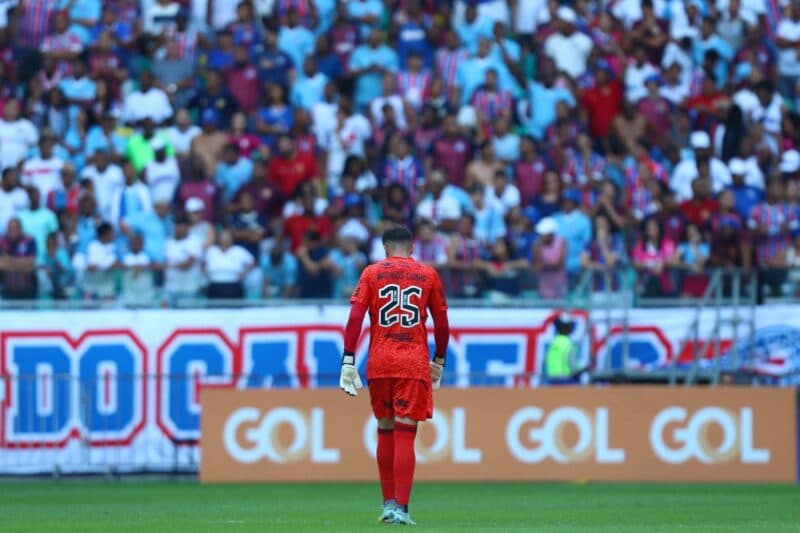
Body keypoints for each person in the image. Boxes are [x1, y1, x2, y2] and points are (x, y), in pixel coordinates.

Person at [339, 225, 449, 526]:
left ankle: (387, 504)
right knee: (406, 434)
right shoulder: (428, 274)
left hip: (380, 361)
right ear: (411, 248)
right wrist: (439, 359)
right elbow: (441, 323)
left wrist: (348, 359)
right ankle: (401, 507)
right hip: (412, 362)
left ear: (385, 248)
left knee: (384, 427)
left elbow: (355, 317)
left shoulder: (371, 273)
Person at [543, 313, 577, 384]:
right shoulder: (568, 344)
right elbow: (573, 368)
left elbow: (544, 363)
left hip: (550, 380)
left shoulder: (553, 343)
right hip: (565, 380)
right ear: (569, 328)